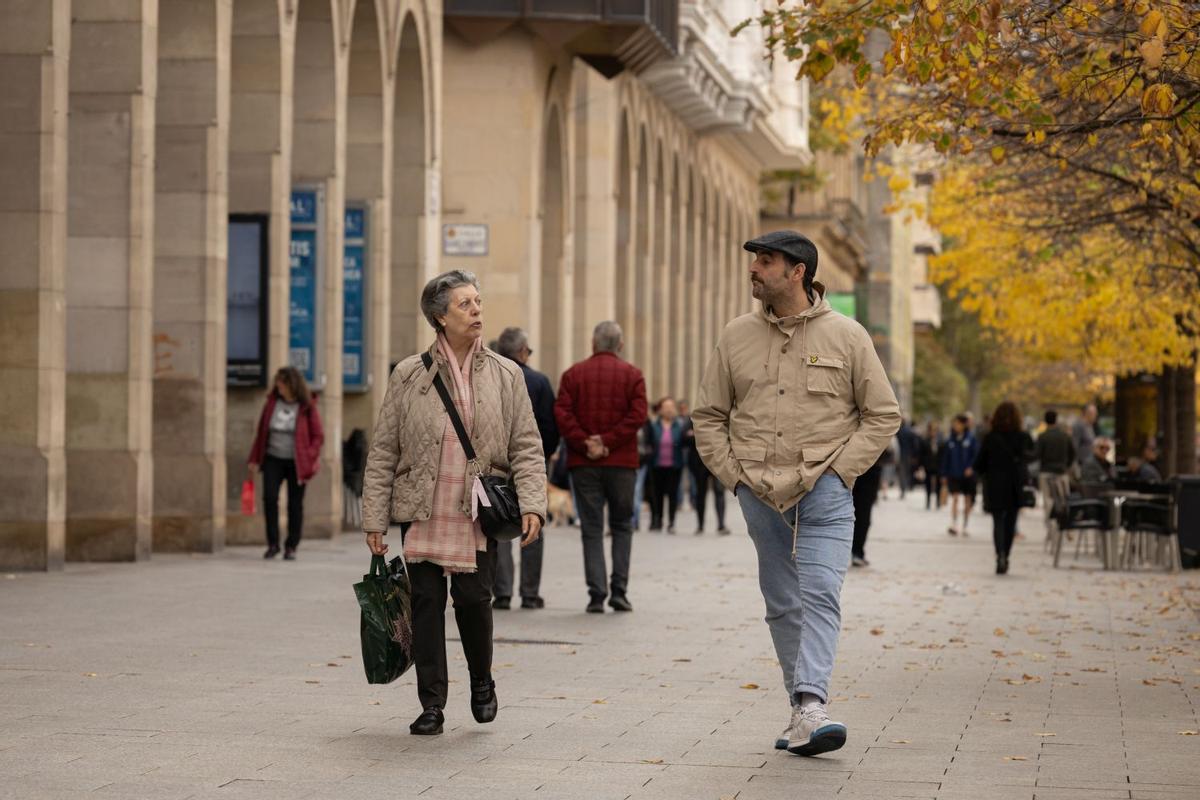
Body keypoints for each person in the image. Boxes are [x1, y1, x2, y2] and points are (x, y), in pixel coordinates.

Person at [694, 230, 900, 758]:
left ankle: (812, 705)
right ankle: (802, 711)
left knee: (820, 593)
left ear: (798, 272)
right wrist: (735, 478)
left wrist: (841, 473)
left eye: (766, 261)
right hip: (758, 492)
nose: (754, 269)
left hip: (824, 490)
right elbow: (709, 416)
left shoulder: (849, 337)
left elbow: (883, 415)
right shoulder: (735, 336)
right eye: (755, 261)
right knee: (783, 603)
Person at [359, 270, 546, 737]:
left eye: (478, 301)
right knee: (425, 603)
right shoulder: (408, 374)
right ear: (440, 317)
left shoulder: (506, 373)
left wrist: (533, 504)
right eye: (465, 304)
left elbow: (526, 444)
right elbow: (385, 449)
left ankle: (482, 682)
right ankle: (432, 704)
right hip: (422, 504)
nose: (477, 310)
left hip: (475, 506)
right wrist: (375, 518)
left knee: (474, 599)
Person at [554, 321, 648, 613]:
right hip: (621, 462)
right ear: (619, 345)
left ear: (593, 343)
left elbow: (562, 413)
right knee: (622, 526)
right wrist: (608, 442)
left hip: (584, 464)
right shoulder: (633, 376)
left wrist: (586, 443)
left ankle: (597, 594)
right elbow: (638, 415)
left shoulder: (572, 375)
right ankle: (619, 591)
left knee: (592, 528)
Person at [492, 327, 559, 611]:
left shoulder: (491, 378)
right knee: (533, 520)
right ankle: (530, 593)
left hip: (495, 462)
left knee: (497, 521)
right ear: (522, 352)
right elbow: (550, 427)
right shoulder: (538, 381)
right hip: (531, 461)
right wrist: (545, 457)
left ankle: (503, 591)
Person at [247, 366, 324, 560]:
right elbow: (262, 432)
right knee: (270, 498)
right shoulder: (272, 403)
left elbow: (318, 435)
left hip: (297, 462)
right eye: (277, 383)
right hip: (273, 458)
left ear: (291, 384)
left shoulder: (307, 406)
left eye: (281, 383)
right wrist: (254, 458)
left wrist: (309, 454)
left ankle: (291, 546)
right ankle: (273, 544)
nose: (278, 386)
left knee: (294, 504)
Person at [972, 401, 1034, 576]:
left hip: (995, 484)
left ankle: (999, 554)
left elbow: (980, 463)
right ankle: (1006, 554)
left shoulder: (990, 437)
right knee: (1011, 522)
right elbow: (1030, 457)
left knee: (998, 521)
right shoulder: (1023, 437)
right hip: (1015, 484)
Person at [682, 410, 729, 535]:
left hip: (718, 462)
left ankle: (721, 525)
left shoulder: (721, 417)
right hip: (699, 464)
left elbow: (727, 437)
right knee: (700, 494)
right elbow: (684, 437)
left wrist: (697, 435)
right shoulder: (694, 417)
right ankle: (700, 525)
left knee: (719, 492)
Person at [1034, 409, 1076, 540]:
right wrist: (1066, 465)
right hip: (1061, 472)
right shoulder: (1065, 436)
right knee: (1064, 500)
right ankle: (1067, 528)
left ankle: (1051, 530)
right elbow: (1073, 453)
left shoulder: (1042, 437)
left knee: (1048, 502)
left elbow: (1036, 454)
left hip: (1046, 472)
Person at [648, 397, 686, 532]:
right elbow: (648, 442)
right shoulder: (654, 425)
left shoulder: (679, 425)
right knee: (657, 494)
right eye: (666, 407)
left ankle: (671, 522)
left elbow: (684, 441)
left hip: (675, 465)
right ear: (660, 410)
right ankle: (658, 519)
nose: (669, 409)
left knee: (673, 494)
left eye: (671, 407)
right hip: (656, 464)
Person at [941, 414, 979, 536]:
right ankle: (954, 524)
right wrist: (944, 474)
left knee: (967, 499)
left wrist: (971, 467)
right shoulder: (950, 440)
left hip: (968, 475)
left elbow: (976, 455)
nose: (955, 425)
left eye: (957, 423)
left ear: (963, 424)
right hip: (954, 473)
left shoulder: (971, 439)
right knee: (955, 498)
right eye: (954, 423)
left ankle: (965, 525)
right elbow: (945, 458)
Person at [851, 454, 884, 567]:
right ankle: (857, 553)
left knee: (859, 516)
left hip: (852, 469)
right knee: (863, 516)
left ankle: (856, 552)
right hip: (868, 469)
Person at [918, 421, 942, 510]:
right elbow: (921, 454)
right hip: (928, 465)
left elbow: (943, 454)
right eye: (932, 430)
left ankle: (938, 501)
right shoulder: (924, 441)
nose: (933, 432)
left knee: (938, 484)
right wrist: (920, 466)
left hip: (938, 465)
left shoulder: (940, 441)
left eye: (935, 430)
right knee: (927, 483)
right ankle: (928, 501)